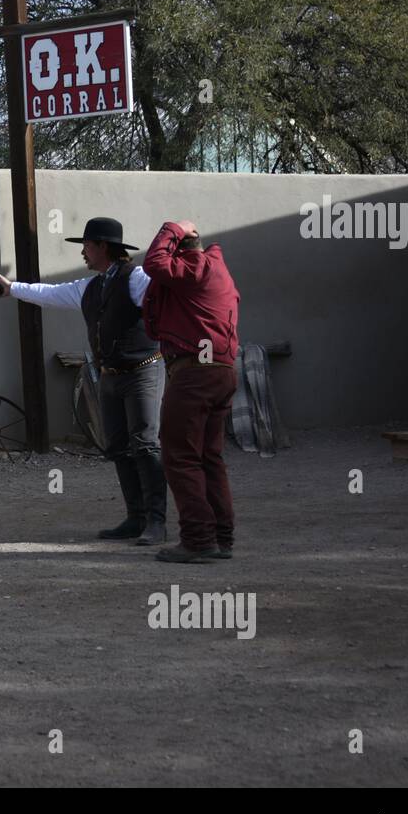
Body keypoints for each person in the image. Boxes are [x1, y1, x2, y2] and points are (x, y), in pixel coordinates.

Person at [0, 216, 168, 545]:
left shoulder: (137, 278)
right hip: (111, 376)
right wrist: (12, 288)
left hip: (143, 369)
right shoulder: (92, 286)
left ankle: (157, 521)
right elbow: (51, 294)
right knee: (118, 447)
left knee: (144, 444)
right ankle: (136, 517)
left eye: (86, 245)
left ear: (103, 247)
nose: (82, 252)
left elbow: (164, 306)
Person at [141, 219, 240, 563]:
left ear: (180, 256)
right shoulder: (219, 273)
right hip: (221, 372)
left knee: (180, 456)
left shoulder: (193, 268)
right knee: (209, 457)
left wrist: (172, 227)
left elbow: (153, 263)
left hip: (194, 373)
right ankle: (221, 538)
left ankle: (198, 540)